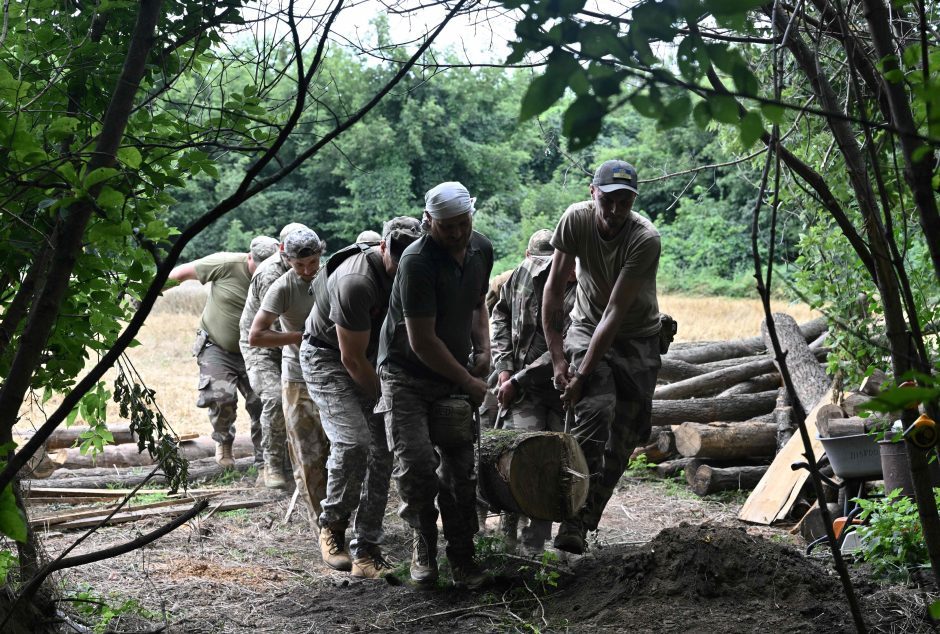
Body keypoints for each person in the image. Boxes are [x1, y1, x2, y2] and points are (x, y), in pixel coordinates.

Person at [376, 182, 493, 589]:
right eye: (447, 227)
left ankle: (463, 555)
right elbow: (422, 341)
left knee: (461, 471)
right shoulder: (417, 261)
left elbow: (479, 303)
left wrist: (484, 347)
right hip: (407, 376)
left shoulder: (481, 249)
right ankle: (423, 543)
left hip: (453, 375)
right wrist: (468, 380)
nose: (458, 233)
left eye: (463, 224)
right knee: (418, 465)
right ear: (429, 222)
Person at [542, 159, 662, 555]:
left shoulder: (645, 238)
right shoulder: (575, 221)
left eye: (624, 202)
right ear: (592, 192)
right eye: (607, 200)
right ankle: (570, 519)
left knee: (626, 433)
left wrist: (580, 373)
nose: (614, 211)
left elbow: (615, 311)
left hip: (636, 336)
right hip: (584, 325)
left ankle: (586, 517)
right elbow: (555, 289)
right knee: (595, 410)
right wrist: (559, 359)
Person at [301, 217, 423, 578]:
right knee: (354, 441)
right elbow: (349, 359)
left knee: (383, 448)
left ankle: (366, 551)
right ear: (384, 248)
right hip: (328, 357)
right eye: (398, 259)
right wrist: (386, 400)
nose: (404, 268)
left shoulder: (417, 265)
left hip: (371, 356)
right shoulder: (357, 281)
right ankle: (332, 526)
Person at [491, 229, 577, 555]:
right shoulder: (523, 275)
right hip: (519, 386)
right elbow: (499, 314)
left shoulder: (583, 292)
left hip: (559, 390)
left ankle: (535, 545)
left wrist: (517, 380)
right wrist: (504, 369)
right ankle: (506, 532)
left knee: (551, 464)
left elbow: (564, 348)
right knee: (517, 456)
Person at [168, 236, 279, 467]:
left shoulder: (278, 275)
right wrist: (145, 297)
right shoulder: (225, 264)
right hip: (217, 346)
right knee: (221, 397)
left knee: (262, 401)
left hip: (258, 351)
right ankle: (224, 441)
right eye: (257, 267)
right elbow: (178, 275)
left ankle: (265, 460)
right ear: (249, 257)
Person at [248, 229, 330, 526]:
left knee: (338, 451)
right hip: (297, 375)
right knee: (307, 454)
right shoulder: (280, 287)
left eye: (313, 262)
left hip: (335, 374)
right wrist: (303, 336)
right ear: (287, 259)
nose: (308, 271)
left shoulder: (332, 276)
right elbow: (256, 336)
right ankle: (320, 522)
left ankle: (340, 514)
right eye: (300, 265)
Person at [239, 222, 309, 489]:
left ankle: (301, 460)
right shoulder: (271, 275)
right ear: (283, 251)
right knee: (274, 398)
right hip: (261, 345)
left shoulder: (310, 266)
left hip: (293, 340)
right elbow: (276, 328)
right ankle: (271, 464)